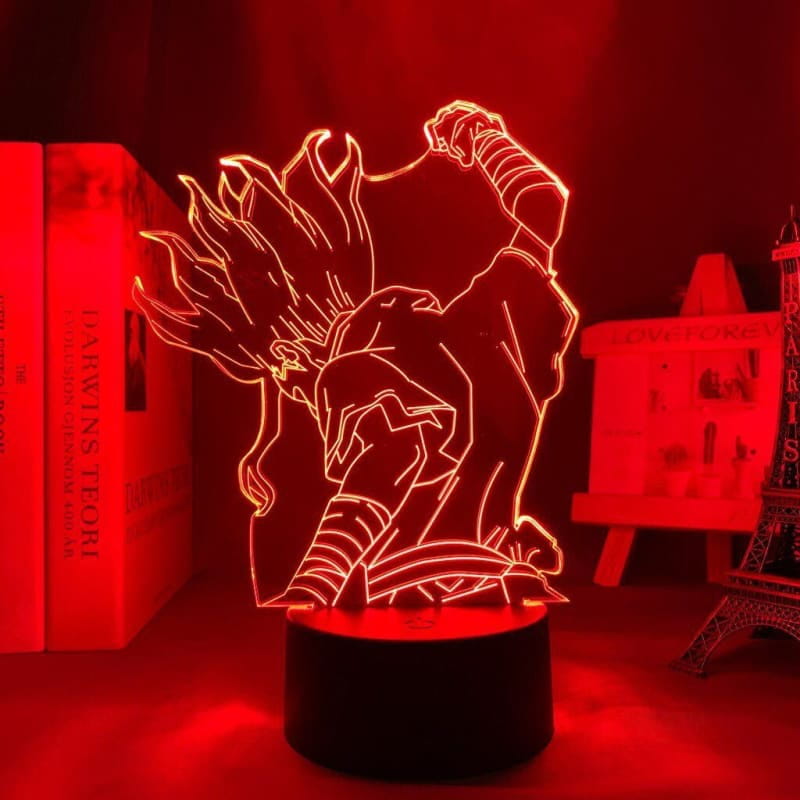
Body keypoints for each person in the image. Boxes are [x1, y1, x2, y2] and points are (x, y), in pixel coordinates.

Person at [134, 101, 577, 607]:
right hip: (435, 563)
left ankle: (330, 572)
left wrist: (482, 137)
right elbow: (543, 211)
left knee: (387, 414)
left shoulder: (412, 344)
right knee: (388, 417)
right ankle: (332, 573)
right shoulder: (450, 333)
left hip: (435, 564)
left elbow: (543, 210)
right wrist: (481, 136)